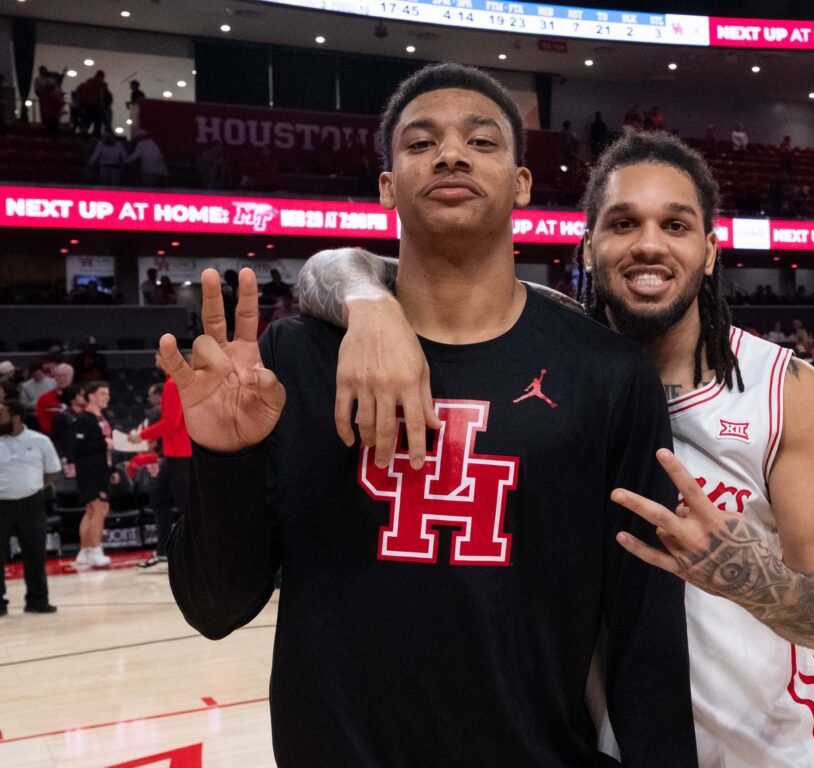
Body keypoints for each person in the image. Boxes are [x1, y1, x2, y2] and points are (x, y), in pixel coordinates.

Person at [161, 63, 696, 766]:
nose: (450, 154)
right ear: (386, 187)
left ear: (522, 183)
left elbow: (644, 633)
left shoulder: (607, 373)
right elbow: (215, 608)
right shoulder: (296, 360)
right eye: (420, 144)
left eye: (480, 142)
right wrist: (225, 461)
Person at [301, 130, 814, 767]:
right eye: (624, 223)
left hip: (764, 751)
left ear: (708, 252)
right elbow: (339, 267)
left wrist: (742, 574)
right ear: (589, 248)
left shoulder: (782, 387)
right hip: (600, 751)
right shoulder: (554, 345)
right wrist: (370, 306)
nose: (649, 243)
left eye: (675, 225)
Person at [0, 401, 60, 617]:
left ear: (15, 417)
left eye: (1, 413)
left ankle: (37, 600)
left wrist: (31, 486)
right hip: (1, 504)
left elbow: (52, 472)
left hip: (31, 503)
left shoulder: (40, 440)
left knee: (35, 553)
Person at [131, 354, 190, 573]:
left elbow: (171, 422)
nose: (156, 358)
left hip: (180, 454)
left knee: (185, 506)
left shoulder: (173, 384)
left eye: (158, 355)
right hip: (176, 452)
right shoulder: (176, 382)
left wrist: (143, 435)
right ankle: (165, 552)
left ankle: (192, 553)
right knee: (159, 498)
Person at [71, 381, 113, 568]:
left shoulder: (101, 418)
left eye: (107, 393)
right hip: (90, 471)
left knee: (91, 510)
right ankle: (96, 550)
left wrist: (111, 469)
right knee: (100, 509)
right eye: (103, 393)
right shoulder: (84, 419)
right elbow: (78, 447)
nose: (107, 397)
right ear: (91, 396)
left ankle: (84, 552)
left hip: (102, 469)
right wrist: (105, 445)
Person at [35, 363, 74, 434]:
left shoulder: (80, 397)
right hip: (52, 436)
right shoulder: (44, 398)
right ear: (55, 378)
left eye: (65, 375)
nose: (61, 378)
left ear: (71, 377)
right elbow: (43, 420)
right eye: (59, 376)